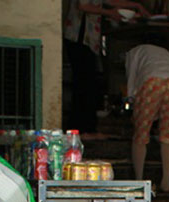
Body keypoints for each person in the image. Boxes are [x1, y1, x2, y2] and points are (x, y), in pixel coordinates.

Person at [63, 0, 150, 134]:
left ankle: (84, 130)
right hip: (79, 36)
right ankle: (81, 130)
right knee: (84, 85)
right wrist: (110, 12)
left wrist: (136, 6)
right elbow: (83, 5)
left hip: (87, 38)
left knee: (87, 84)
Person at [125, 42, 169, 191]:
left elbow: (131, 78)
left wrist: (132, 101)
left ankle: (139, 180)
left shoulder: (133, 52)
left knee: (140, 135)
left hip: (152, 82)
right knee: (168, 134)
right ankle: (166, 182)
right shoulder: (165, 50)